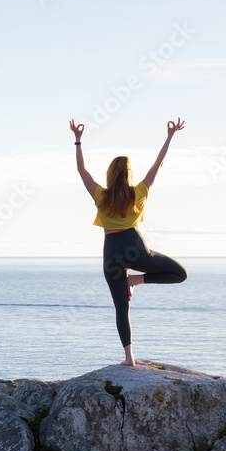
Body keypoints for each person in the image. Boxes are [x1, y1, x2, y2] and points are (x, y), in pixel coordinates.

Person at [70, 118, 188, 366]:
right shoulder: (139, 193)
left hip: (112, 253)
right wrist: (170, 136)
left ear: (110, 174)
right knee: (180, 274)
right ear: (129, 175)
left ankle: (129, 357)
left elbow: (82, 171)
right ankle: (135, 280)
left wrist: (78, 141)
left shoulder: (100, 195)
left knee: (121, 307)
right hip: (136, 249)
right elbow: (158, 165)